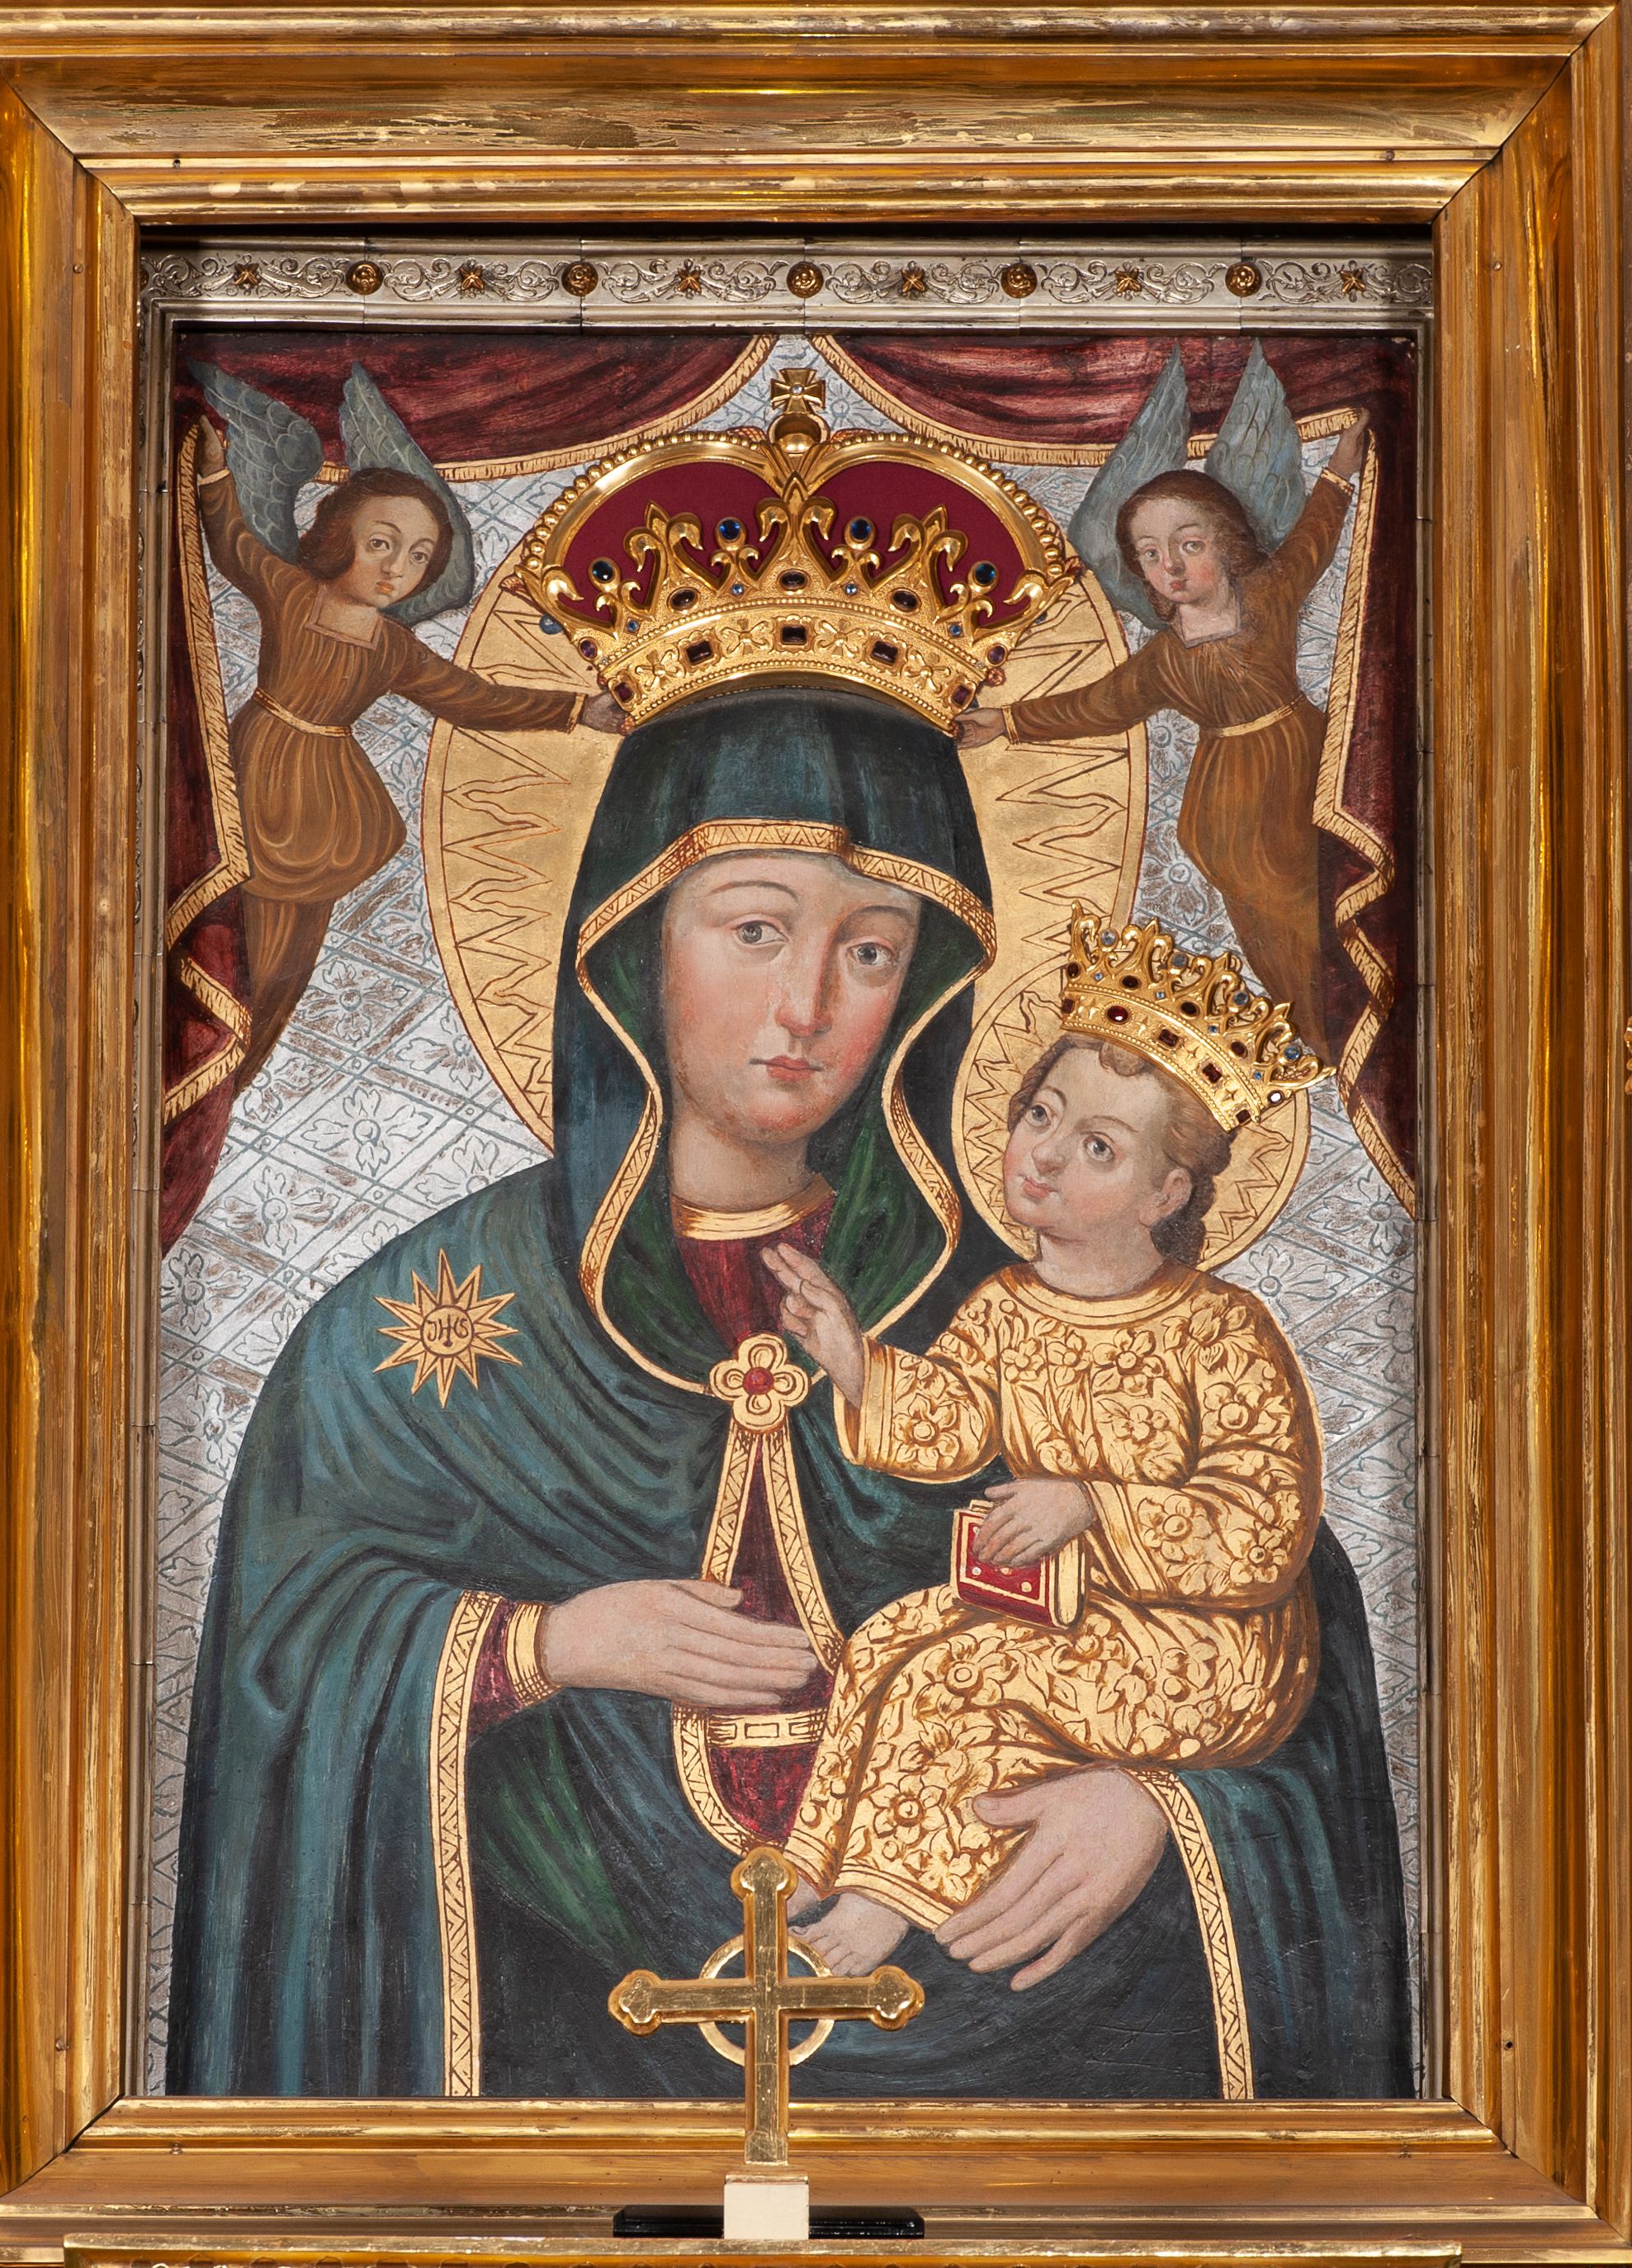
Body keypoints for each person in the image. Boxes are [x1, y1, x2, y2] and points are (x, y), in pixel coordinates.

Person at [166, 683, 1412, 2101]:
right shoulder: (430, 1320)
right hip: (564, 2040)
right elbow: (284, 1665)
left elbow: (1280, 1643)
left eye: (870, 949)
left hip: (1024, 2044)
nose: (807, 1007)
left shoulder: (1030, 1303)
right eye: (754, 929)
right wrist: (550, 1641)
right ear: (633, 939)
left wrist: (1161, 1807)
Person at [764, 1007, 1323, 1979]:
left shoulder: (1219, 1328)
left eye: (1097, 1146)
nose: (1047, 1153)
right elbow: (950, 1423)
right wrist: (852, 1358)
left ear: (1165, 1192)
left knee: (958, 1675)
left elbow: (1263, 1529)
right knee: (891, 1637)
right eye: (1040, 1114)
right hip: (1065, 1606)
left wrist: (1092, 1504)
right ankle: (826, 1852)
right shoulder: (1006, 1305)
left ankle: (886, 1900)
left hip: (1206, 1644)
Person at [192, 416, 622, 1087]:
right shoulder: (292, 593)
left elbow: (472, 698)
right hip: (251, 778)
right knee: (223, 940)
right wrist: (215, 473)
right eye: (381, 544)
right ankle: (198, 1058)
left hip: (324, 813)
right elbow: (233, 544)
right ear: (340, 537)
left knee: (282, 967)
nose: (397, 569)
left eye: (418, 556)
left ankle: (227, 1082)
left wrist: (575, 710)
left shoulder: (392, 648)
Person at [958, 413, 1370, 1052]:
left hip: (1305, 766)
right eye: (1150, 555)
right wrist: (1007, 721)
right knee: (1275, 925)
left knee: (1332, 898)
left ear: (1226, 543)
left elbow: (1313, 537)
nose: (1170, 566)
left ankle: (1356, 1013)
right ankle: (1319, 1033)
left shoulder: (1268, 596)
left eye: (1189, 545)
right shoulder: (1164, 660)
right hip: (1232, 812)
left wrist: (1341, 465)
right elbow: (1099, 705)